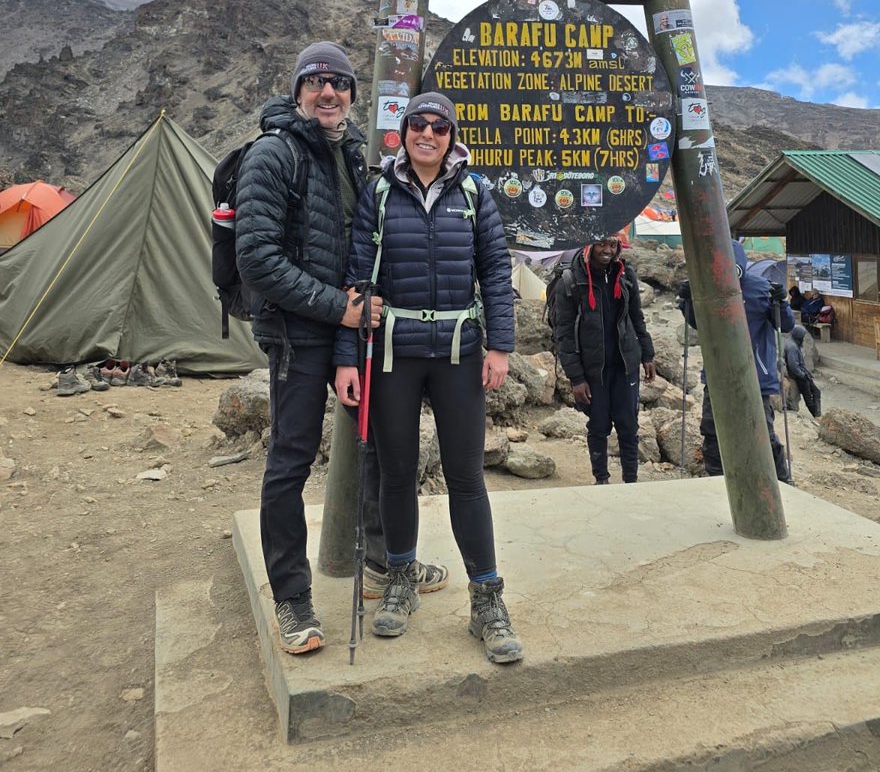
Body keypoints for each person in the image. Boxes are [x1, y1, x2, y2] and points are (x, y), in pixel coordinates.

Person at [234, 43, 447, 656]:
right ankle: (293, 596)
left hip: (355, 336)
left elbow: (370, 245)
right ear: (298, 91)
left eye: (339, 83)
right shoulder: (272, 155)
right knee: (292, 458)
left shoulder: (356, 157)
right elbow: (258, 257)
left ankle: (383, 566)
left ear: (354, 94)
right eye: (315, 82)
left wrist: (368, 307)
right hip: (299, 335)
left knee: (379, 445)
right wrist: (340, 307)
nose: (328, 92)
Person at [333, 92, 523, 665]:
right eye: (419, 124)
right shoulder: (380, 192)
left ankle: (487, 600)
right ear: (403, 130)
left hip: (460, 354)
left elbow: (494, 267)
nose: (429, 134)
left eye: (440, 127)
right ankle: (400, 579)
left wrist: (501, 346)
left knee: (466, 477)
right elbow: (356, 280)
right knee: (396, 474)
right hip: (393, 354)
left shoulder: (474, 193)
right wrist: (347, 357)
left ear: (450, 136)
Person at [678, 240, 794, 482]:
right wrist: (687, 303)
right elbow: (698, 325)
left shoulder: (761, 289)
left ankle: (781, 481)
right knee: (712, 430)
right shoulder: (705, 288)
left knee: (762, 432)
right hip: (718, 374)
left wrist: (780, 302)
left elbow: (786, 325)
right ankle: (717, 480)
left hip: (755, 376)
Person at [552, 235, 656, 484]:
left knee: (629, 425)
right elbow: (563, 334)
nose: (607, 250)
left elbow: (636, 317)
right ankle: (601, 480)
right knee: (598, 425)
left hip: (625, 363)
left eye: (613, 245)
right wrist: (576, 378)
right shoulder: (571, 281)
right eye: (601, 244)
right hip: (592, 369)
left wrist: (647, 354)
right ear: (589, 246)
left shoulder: (625, 274)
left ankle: (631, 481)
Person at [783, 324, 822, 418]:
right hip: (800, 376)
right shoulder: (792, 347)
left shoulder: (792, 343)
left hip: (803, 374)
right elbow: (793, 366)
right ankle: (817, 415)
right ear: (798, 336)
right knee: (809, 396)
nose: (803, 339)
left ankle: (817, 413)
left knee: (815, 392)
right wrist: (803, 375)